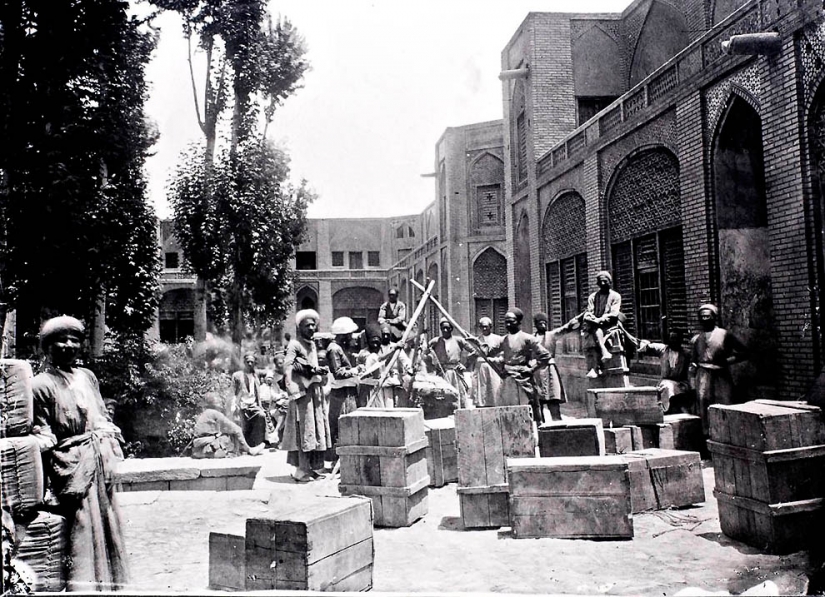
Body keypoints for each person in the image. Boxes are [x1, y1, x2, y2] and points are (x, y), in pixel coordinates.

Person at [31, 316, 129, 591]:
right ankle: (82, 588)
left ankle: (107, 586)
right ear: (47, 347)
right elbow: (42, 431)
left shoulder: (87, 377)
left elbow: (100, 416)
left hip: (98, 459)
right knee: (82, 525)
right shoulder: (40, 384)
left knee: (106, 520)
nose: (69, 345)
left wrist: (108, 445)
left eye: (75, 340)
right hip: (70, 464)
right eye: (61, 340)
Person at [282, 309, 332, 482]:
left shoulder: (313, 344)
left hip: (315, 392)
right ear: (299, 327)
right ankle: (301, 470)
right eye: (307, 325)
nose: (311, 328)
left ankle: (312, 468)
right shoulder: (294, 345)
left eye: (313, 325)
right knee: (303, 429)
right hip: (302, 393)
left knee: (316, 429)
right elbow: (288, 365)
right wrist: (306, 373)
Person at [690, 304, 748, 434]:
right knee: (704, 403)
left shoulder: (724, 335)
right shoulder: (697, 339)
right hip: (703, 376)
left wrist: (726, 361)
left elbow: (744, 352)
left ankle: (726, 433)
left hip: (721, 375)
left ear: (714, 317)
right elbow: (693, 361)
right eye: (702, 317)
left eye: (708, 316)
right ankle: (707, 434)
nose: (705, 319)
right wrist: (692, 380)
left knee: (724, 402)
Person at [488, 309, 551, 423]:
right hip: (507, 380)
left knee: (528, 410)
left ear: (518, 321)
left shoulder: (528, 338)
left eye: (511, 321)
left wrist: (531, 369)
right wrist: (476, 344)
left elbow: (545, 355)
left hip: (523, 380)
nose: (508, 324)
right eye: (506, 322)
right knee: (507, 412)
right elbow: (489, 352)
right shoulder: (504, 340)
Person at [533, 313, 578, 421]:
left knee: (553, 400)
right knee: (538, 402)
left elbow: (565, 328)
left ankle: (557, 424)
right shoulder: (531, 338)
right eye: (540, 323)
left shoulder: (552, 335)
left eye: (545, 323)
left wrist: (577, 319)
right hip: (537, 371)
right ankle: (541, 428)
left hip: (550, 370)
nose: (543, 325)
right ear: (536, 325)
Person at [326, 317, 361, 461]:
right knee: (340, 424)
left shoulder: (339, 349)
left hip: (347, 392)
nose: (352, 337)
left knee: (346, 425)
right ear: (344, 335)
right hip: (340, 394)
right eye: (350, 334)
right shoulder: (334, 349)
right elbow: (338, 373)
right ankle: (337, 459)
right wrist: (354, 371)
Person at [191, 392, 265, 458]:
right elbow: (236, 429)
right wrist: (247, 447)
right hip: (206, 445)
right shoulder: (215, 413)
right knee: (231, 436)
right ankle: (248, 450)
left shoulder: (205, 413)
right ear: (216, 403)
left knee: (225, 434)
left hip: (198, 446)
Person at [639, 330, 692, 414]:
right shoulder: (663, 350)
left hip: (681, 383)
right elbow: (647, 346)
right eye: (671, 339)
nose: (673, 341)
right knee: (666, 387)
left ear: (680, 340)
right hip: (666, 381)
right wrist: (643, 343)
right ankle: (664, 411)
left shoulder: (686, 354)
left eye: (676, 339)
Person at [425, 318, 473, 408]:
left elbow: (474, 351)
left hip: (456, 373)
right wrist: (432, 364)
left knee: (458, 395)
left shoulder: (459, 340)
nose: (445, 330)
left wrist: (466, 365)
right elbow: (423, 354)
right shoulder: (435, 341)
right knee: (442, 395)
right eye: (443, 328)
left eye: (448, 328)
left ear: (452, 329)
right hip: (442, 373)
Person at [583, 271, 623, 377]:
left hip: (610, 325)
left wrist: (602, 319)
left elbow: (614, 313)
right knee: (592, 331)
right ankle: (600, 357)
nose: (603, 284)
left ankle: (596, 367)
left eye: (605, 281)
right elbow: (589, 312)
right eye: (600, 282)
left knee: (597, 331)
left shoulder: (615, 296)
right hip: (595, 324)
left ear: (610, 282)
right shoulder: (593, 297)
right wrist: (593, 319)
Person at [232, 352, 267, 447]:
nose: (250, 364)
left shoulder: (256, 374)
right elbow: (233, 391)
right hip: (242, 404)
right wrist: (234, 405)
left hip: (254, 405)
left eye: (252, 362)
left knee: (261, 415)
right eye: (248, 362)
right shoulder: (237, 375)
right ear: (244, 362)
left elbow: (270, 372)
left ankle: (258, 443)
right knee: (240, 424)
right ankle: (242, 446)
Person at [469, 317, 503, 407]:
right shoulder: (476, 340)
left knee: (494, 388)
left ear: (490, 327)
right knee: (481, 390)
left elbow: (501, 354)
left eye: (486, 327)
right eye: (482, 327)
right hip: (480, 368)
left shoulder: (498, 339)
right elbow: (473, 356)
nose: (484, 329)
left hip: (493, 367)